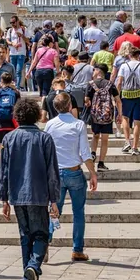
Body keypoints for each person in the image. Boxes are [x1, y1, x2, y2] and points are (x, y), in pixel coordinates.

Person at [0, 99, 60, 280]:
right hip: (39, 194)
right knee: (41, 234)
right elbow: (52, 172)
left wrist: (4, 198)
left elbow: (4, 171)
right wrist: (54, 199)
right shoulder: (45, 138)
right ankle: (33, 266)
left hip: (17, 194)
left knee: (25, 236)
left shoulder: (9, 139)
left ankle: (28, 277)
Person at [43, 92, 98, 262]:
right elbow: (85, 152)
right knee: (78, 212)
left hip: (55, 173)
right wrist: (93, 173)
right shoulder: (78, 124)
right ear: (69, 106)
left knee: (54, 211)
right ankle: (77, 249)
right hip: (74, 171)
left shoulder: (50, 125)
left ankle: (45, 244)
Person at [115, 47, 140, 156]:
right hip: (139, 95)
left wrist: (117, 96)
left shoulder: (124, 66)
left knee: (125, 118)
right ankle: (135, 147)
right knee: (137, 121)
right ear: (139, 56)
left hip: (126, 95)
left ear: (129, 55)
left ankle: (127, 141)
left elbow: (119, 83)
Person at [86, 64, 123, 172]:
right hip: (107, 116)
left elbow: (86, 100)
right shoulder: (110, 84)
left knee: (95, 135)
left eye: (94, 70)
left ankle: (93, 153)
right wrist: (119, 115)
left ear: (98, 71)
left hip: (95, 116)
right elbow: (118, 101)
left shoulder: (91, 84)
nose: (93, 72)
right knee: (105, 140)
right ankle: (101, 164)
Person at [0, 72, 20, 148]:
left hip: (0, 124)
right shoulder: (16, 92)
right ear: (11, 81)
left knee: (1, 149)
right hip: (12, 124)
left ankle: (1, 160)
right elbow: (19, 109)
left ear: (1, 81)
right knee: (12, 148)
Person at [6, 16, 30, 90]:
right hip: (12, 53)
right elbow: (7, 41)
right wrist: (13, 44)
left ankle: (17, 86)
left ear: (17, 21)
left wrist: (22, 35)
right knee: (12, 70)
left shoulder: (24, 29)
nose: (12, 24)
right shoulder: (10, 30)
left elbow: (28, 41)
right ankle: (13, 85)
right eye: (11, 23)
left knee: (18, 70)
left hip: (21, 53)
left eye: (13, 22)